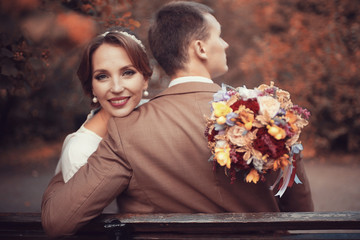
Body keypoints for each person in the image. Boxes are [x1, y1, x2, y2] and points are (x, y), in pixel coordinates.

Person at [41, 1, 313, 238]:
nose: (225, 43)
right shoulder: (267, 113)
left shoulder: (126, 130)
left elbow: (58, 221)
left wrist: (60, 172)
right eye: (219, 35)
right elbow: (301, 213)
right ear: (200, 48)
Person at [54, 27, 152, 183]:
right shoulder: (80, 151)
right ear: (91, 86)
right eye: (102, 76)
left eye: (127, 73)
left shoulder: (158, 115)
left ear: (145, 79)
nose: (117, 88)